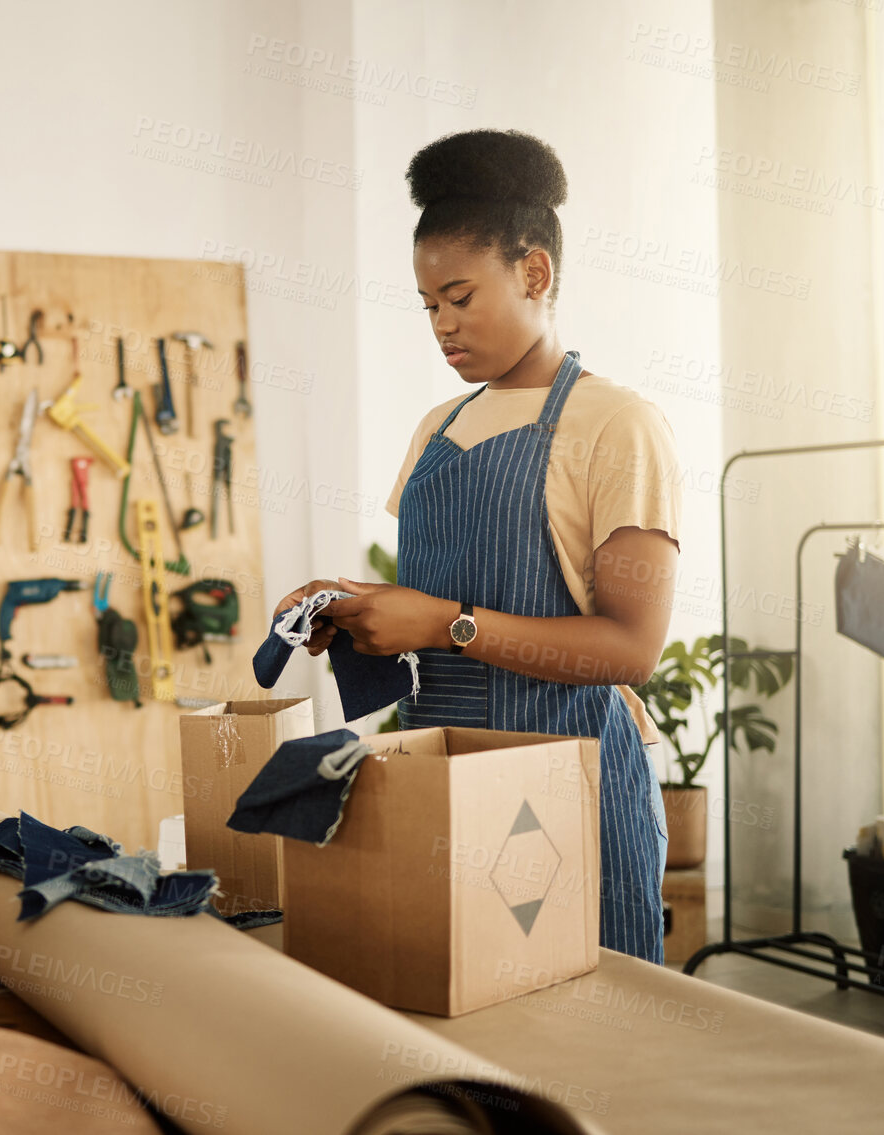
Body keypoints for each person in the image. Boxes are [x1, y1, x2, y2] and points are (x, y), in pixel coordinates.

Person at [274, 131, 682, 963]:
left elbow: (632, 647)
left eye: (459, 296)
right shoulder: (439, 429)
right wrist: (355, 605)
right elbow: (436, 595)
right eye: (428, 305)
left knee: (589, 1045)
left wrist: (444, 624)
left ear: (533, 274)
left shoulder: (615, 423)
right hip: (446, 783)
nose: (442, 325)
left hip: (569, 788)